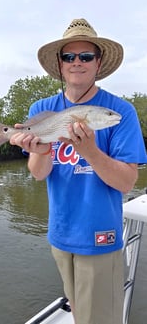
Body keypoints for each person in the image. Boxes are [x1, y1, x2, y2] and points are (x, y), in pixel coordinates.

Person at [10, 18, 147, 324]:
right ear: (59, 65)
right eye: (69, 56)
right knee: (79, 313)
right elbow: (38, 173)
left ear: (98, 63)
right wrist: (41, 149)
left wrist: (91, 152)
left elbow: (126, 182)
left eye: (86, 56)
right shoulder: (41, 109)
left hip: (100, 235)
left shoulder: (119, 112)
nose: (77, 63)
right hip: (60, 235)